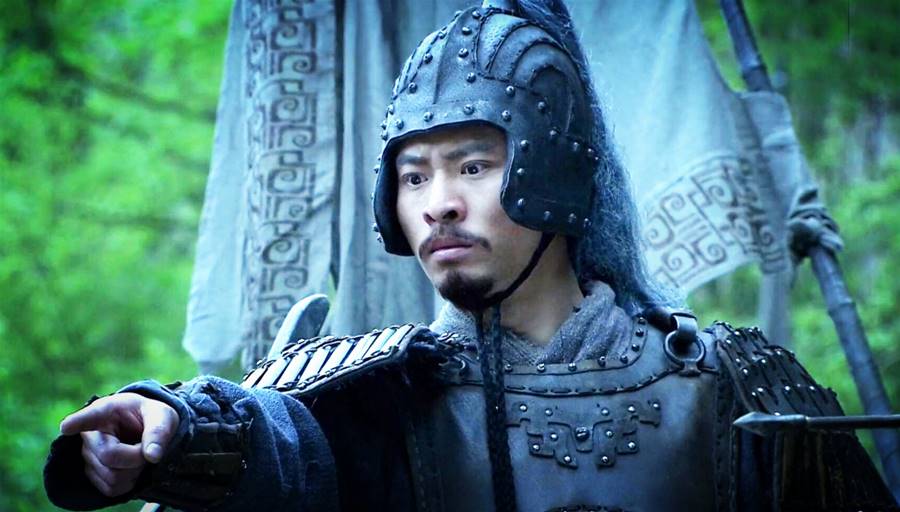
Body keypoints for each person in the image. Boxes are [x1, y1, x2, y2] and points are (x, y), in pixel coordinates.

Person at [45, 1, 896, 511]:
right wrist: (171, 428)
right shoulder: (384, 402)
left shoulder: (734, 386)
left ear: (554, 172)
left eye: (473, 166)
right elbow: (279, 445)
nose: (438, 202)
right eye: (413, 175)